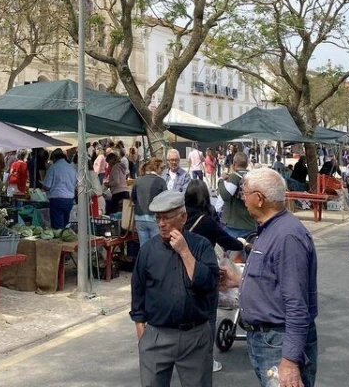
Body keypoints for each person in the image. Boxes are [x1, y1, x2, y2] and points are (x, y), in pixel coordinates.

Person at [130, 190, 220, 387]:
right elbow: (138, 288)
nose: (161, 224)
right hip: (157, 334)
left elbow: (209, 284)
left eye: (167, 218)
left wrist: (184, 251)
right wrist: (140, 327)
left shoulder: (201, 246)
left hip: (195, 336)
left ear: (183, 217)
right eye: (158, 218)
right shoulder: (148, 250)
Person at [238, 167, 318, 387]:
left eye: (244, 193)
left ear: (259, 198)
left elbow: (296, 303)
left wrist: (290, 361)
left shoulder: (287, 236)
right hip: (267, 340)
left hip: (277, 340)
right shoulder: (270, 229)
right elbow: (272, 280)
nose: (242, 199)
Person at [218, 151, 257, 241]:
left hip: (234, 225)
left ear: (234, 163)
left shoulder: (234, 177)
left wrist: (220, 181)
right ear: (247, 164)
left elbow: (226, 196)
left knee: (233, 252)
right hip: (250, 223)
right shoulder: (252, 176)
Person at [132, 158, 166, 243]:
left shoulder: (138, 180)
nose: (162, 171)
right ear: (156, 167)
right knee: (156, 246)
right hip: (154, 217)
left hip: (139, 217)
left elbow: (133, 197)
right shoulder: (161, 181)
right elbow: (166, 201)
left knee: (144, 247)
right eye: (161, 168)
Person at [42, 148, 77, 229]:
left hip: (57, 200)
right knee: (65, 225)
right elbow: (76, 184)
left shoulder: (53, 168)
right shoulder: (72, 169)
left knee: (58, 227)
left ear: (54, 159)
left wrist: (42, 185)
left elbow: (46, 186)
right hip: (69, 200)